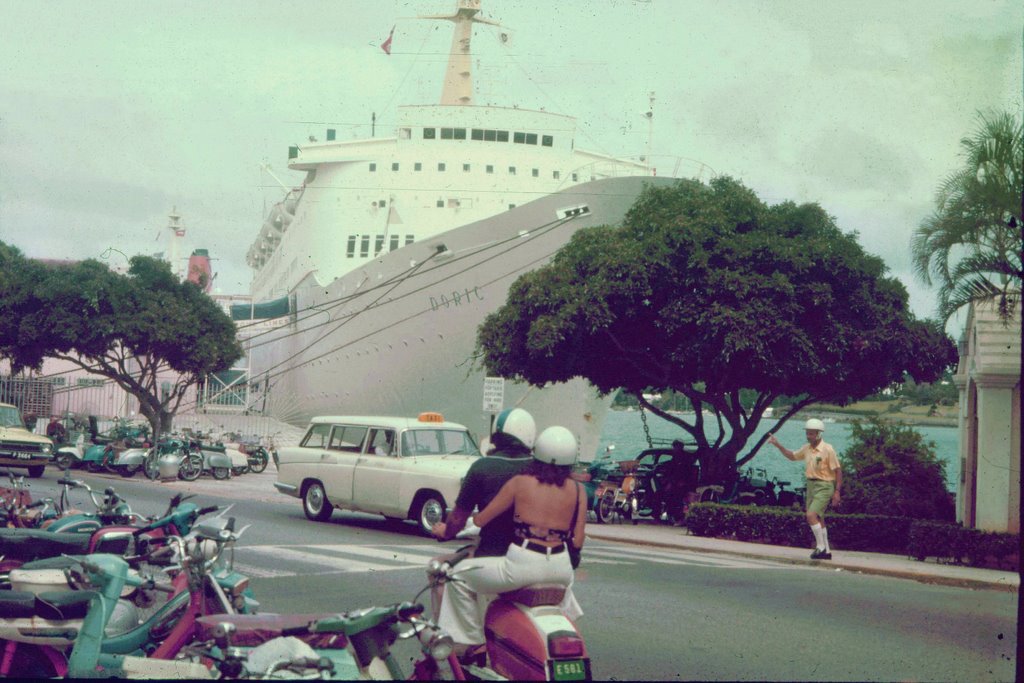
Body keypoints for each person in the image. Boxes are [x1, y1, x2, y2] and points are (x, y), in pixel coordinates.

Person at [435, 425, 587, 658]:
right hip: (561, 569)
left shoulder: (520, 482)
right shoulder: (579, 490)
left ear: (537, 453)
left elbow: (482, 519)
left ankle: (474, 642)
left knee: (456, 577)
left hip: (524, 564)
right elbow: (577, 539)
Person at [432, 407, 537, 556]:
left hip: (492, 551)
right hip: (531, 553)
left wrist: (446, 532)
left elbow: (458, 517)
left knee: (440, 568)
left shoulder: (481, 467)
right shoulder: (541, 469)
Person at [767, 418, 842, 560]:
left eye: (811, 434)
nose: (808, 436)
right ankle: (827, 551)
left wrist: (837, 492)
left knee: (811, 515)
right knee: (819, 517)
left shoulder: (828, 449)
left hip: (825, 485)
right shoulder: (807, 448)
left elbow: (838, 470)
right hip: (811, 485)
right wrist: (778, 445)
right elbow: (792, 456)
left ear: (819, 434)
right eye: (807, 433)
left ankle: (820, 547)